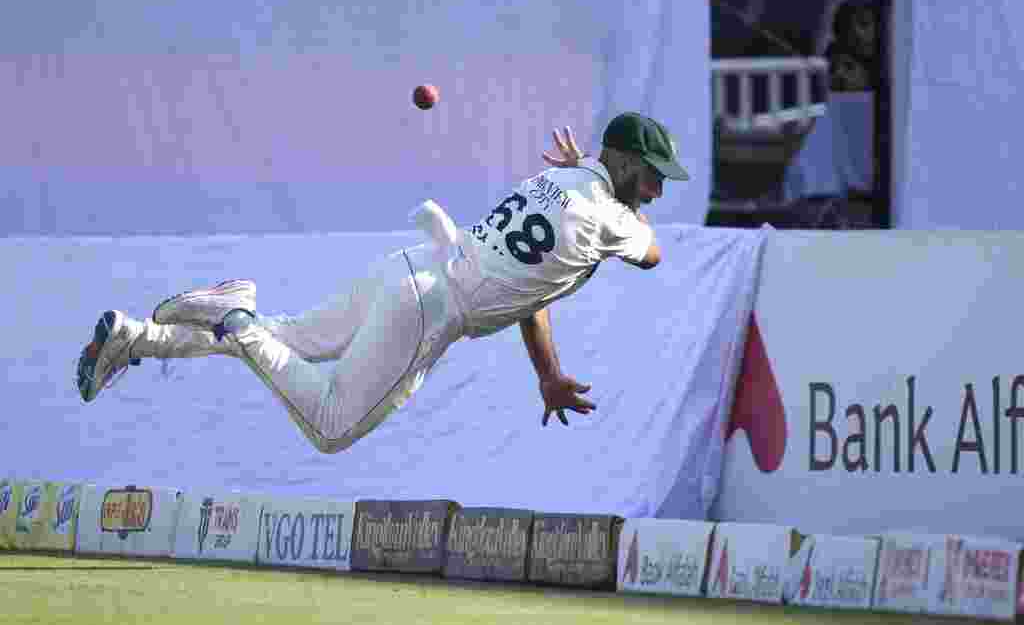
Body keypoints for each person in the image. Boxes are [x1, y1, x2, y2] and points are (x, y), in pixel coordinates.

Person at [76, 112, 689, 453]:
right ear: (627, 162)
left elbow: (533, 295)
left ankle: (136, 338)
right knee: (330, 427)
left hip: (412, 265)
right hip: (429, 308)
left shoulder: (553, 180)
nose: (658, 190)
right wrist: (617, 198)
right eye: (653, 176)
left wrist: (547, 374)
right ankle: (234, 319)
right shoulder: (613, 218)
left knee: (291, 342)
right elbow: (654, 254)